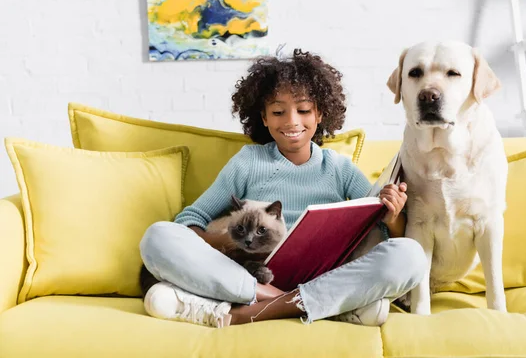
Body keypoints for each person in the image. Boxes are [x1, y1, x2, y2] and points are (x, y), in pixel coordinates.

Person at [139, 49, 427, 328]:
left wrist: (392, 214)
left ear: (320, 115)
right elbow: (188, 222)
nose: (291, 121)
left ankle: (248, 312)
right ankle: (303, 304)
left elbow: (384, 234)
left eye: (303, 110)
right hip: (252, 275)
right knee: (158, 236)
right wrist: (236, 242)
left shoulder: (339, 168)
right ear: (263, 118)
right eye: (278, 111)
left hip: (326, 274)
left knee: (410, 254)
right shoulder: (248, 162)